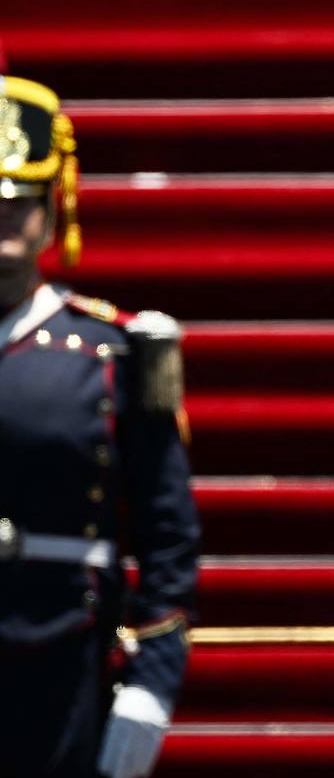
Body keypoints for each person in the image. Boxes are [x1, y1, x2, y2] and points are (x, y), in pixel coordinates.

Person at [0, 76, 199, 777]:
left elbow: (168, 536)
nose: (4, 226)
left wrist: (151, 682)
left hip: (62, 661)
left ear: (53, 211)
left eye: (19, 206)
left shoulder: (116, 351)